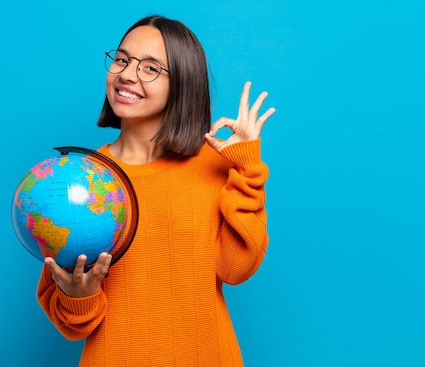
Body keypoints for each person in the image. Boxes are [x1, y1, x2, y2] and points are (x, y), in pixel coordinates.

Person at [37, 15, 275, 367]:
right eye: (122, 59)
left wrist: (246, 168)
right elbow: (73, 326)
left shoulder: (214, 165)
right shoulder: (81, 180)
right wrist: (77, 295)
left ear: (182, 84)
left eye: (150, 68)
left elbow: (236, 268)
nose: (127, 75)